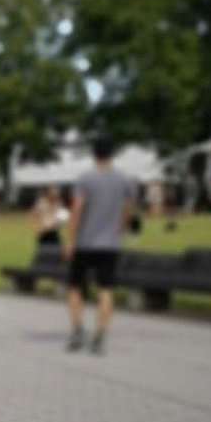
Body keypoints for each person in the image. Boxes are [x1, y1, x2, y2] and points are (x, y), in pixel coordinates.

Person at [62, 135, 133, 355]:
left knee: (75, 287)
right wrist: (119, 230)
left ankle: (77, 330)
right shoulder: (123, 180)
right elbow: (128, 209)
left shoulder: (85, 179)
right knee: (105, 289)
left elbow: (77, 210)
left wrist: (70, 239)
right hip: (110, 244)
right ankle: (100, 336)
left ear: (94, 153)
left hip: (85, 242)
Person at [30, 185, 66, 253]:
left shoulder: (58, 203)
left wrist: (58, 223)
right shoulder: (41, 203)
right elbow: (32, 215)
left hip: (53, 231)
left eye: (55, 191)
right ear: (47, 193)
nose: (55, 192)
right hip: (44, 232)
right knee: (43, 252)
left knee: (59, 251)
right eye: (52, 191)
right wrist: (38, 227)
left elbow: (62, 218)